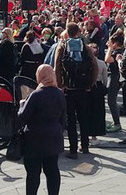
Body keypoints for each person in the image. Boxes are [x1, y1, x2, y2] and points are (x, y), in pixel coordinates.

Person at [17, 64, 65, 195]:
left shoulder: (36, 95)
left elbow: (23, 116)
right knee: (52, 170)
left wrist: (21, 105)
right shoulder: (59, 93)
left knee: (33, 173)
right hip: (53, 136)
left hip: (34, 139)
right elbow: (63, 118)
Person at [53, 22, 97, 158]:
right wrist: (90, 83)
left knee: (71, 119)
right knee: (83, 116)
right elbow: (94, 66)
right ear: (78, 32)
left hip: (69, 87)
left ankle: (72, 149)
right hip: (83, 87)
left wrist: (60, 84)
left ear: (67, 32)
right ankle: (85, 146)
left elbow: (57, 67)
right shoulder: (85, 46)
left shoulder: (62, 46)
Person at [104, 32, 124, 133]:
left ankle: (117, 123)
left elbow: (107, 59)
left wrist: (110, 48)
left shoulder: (117, 52)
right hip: (113, 76)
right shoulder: (119, 50)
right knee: (111, 100)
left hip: (114, 77)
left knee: (111, 101)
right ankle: (116, 121)